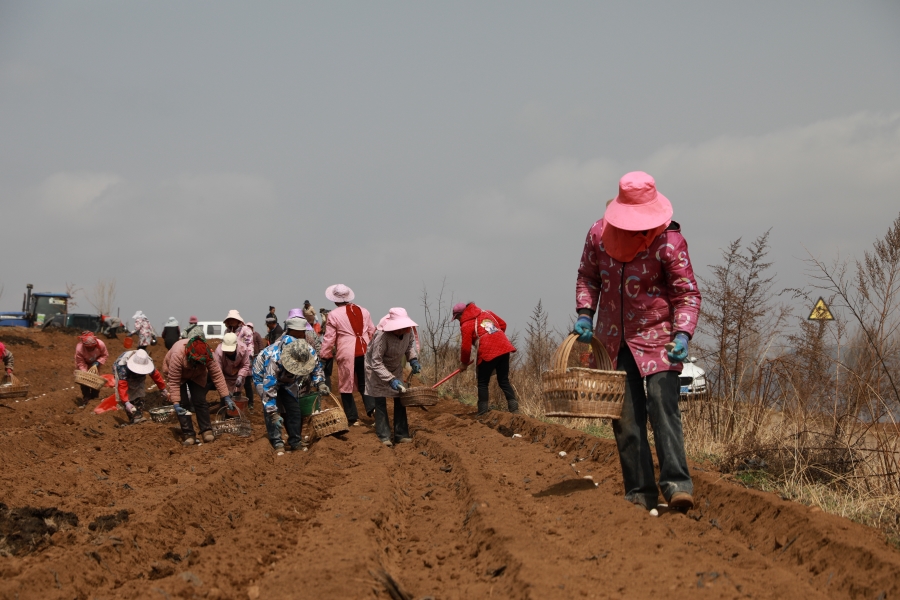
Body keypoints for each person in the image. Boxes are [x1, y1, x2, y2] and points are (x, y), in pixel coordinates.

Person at [574, 171, 701, 512]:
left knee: (662, 405)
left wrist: (682, 335)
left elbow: (686, 294)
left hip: (660, 337)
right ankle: (640, 491)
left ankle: (677, 485)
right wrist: (585, 312)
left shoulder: (669, 242)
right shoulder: (599, 235)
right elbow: (588, 277)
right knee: (625, 417)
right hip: (613, 339)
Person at [253, 316, 328, 454]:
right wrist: (272, 413)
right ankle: (277, 441)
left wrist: (321, 383)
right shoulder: (275, 358)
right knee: (271, 410)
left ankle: (295, 440)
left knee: (294, 409)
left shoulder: (307, 350)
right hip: (263, 375)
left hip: (289, 380)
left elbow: (316, 368)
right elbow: (269, 387)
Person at [319, 284, 376, 426]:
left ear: (334, 299)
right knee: (365, 383)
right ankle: (373, 410)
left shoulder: (333, 315)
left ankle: (352, 417)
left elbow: (329, 338)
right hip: (365, 349)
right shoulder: (363, 311)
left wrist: (324, 355)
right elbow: (372, 331)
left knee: (345, 384)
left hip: (346, 351)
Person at [364, 308, 419, 447]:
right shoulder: (382, 336)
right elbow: (376, 361)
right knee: (380, 400)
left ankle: (401, 434)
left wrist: (413, 360)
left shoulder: (408, 332)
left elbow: (409, 347)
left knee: (400, 398)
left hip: (395, 367)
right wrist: (390, 379)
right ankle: (383, 435)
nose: (402, 330)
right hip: (376, 368)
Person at [452, 302, 519, 416]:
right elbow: (503, 324)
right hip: (504, 346)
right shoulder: (487, 313)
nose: (459, 321)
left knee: (483, 382)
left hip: (487, 350)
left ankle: (482, 412)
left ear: (461, 315)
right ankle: (514, 409)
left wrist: (464, 363)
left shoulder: (466, 324)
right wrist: (496, 338)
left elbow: (465, 348)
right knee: (504, 380)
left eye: (457, 318)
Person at [167, 335, 235, 446]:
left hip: (197, 374)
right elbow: (174, 381)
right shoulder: (178, 355)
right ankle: (189, 434)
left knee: (200, 400)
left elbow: (217, 375)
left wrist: (226, 396)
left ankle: (206, 430)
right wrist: (176, 403)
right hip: (179, 376)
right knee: (183, 403)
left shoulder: (208, 354)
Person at [113, 348, 167, 424]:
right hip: (126, 376)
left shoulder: (148, 362)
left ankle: (138, 416)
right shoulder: (122, 367)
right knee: (128, 394)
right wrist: (126, 402)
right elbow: (122, 386)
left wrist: (162, 388)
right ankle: (132, 417)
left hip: (139, 378)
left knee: (140, 393)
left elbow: (156, 375)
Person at [213, 332, 252, 403]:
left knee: (236, 396)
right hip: (225, 377)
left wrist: (240, 376)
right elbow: (218, 371)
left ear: (236, 346)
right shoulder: (219, 352)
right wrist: (225, 392)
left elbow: (245, 365)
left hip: (237, 375)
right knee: (225, 397)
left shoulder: (243, 349)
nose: (229, 352)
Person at [74, 331, 109, 406]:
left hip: (95, 363)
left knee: (95, 380)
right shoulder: (79, 349)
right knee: (84, 381)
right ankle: (86, 398)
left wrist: (98, 362)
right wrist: (85, 373)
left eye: (92, 347)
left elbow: (105, 355)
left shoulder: (101, 344)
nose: (90, 349)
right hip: (84, 363)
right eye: (88, 348)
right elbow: (80, 362)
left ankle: (94, 398)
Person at [244, 322, 266, 409]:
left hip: (256, 356)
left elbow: (260, 344)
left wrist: (260, 354)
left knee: (255, 372)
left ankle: (256, 386)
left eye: (250, 327)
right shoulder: (245, 336)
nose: (249, 328)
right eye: (248, 327)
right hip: (247, 357)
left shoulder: (256, 335)